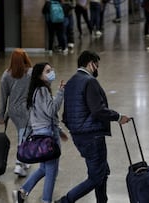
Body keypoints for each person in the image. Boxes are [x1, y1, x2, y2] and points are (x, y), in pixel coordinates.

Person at [55, 50, 131, 203]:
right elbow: (98, 110)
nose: (98, 68)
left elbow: (65, 116)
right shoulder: (89, 81)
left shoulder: (71, 82)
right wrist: (118, 117)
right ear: (90, 64)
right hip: (93, 137)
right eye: (97, 65)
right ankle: (65, 200)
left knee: (101, 171)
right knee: (97, 176)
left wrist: (76, 129)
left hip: (79, 137)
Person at [12, 62, 68, 203]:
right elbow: (50, 111)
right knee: (51, 171)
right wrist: (61, 93)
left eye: (51, 69)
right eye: (47, 71)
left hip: (41, 133)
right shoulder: (42, 90)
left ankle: (22, 191)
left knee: (44, 168)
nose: (51, 72)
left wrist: (59, 130)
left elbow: (41, 116)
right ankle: (46, 200)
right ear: (40, 75)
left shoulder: (36, 90)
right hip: (48, 136)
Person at [0, 49, 33, 177]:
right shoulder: (30, 73)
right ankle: (19, 163)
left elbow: (3, 97)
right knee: (24, 135)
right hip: (26, 109)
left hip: (12, 110)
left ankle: (25, 159)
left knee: (23, 133)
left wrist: (1, 116)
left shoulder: (6, 75)